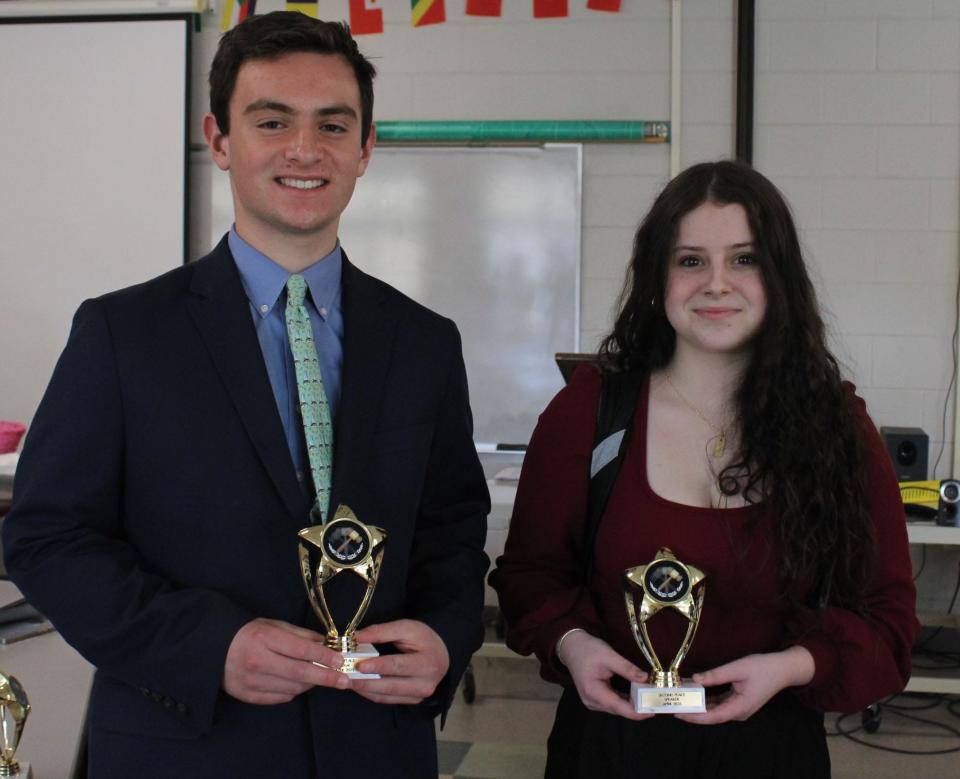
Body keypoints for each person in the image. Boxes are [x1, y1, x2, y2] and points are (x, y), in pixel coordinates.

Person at [3, 11, 489, 779]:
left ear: (365, 148)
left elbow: (454, 529)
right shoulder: (123, 334)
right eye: (273, 121)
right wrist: (208, 645)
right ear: (220, 139)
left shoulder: (425, 341)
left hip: (375, 748)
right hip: (186, 747)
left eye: (333, 124)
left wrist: (444, 631)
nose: (305, 149)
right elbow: (46, 536)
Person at [489, 161, 919, 778]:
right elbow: (531, 577)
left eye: (744, 259)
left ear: (779, 276)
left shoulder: (837, 428)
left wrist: (793, 666)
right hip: (610, 752)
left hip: (772, 752)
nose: (716, 283)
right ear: (657, 278)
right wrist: (574, 645)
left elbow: (889, 624)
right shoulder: (588, 411)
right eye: (691, 260)